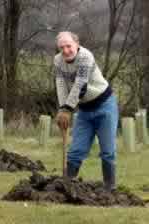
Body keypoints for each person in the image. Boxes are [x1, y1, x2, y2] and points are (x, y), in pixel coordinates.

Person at [54, 31, 119, 191]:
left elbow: (80, 84)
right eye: (61, 47)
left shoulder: (86, 57)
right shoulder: (58, 61)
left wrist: (68, 109)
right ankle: (67, 185)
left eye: (68, 46)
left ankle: (109, 188)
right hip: (84, 110)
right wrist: (63, 108)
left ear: (76, 44)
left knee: (107, 150)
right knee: (76, 150)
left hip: (105, 106)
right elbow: (61, 84)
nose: (66, 50)